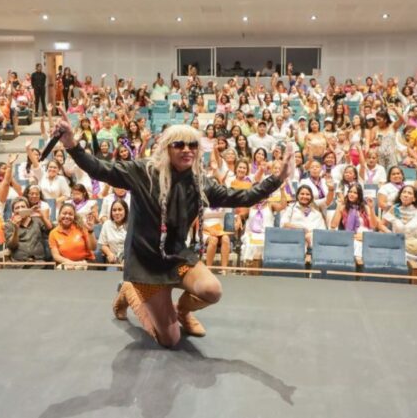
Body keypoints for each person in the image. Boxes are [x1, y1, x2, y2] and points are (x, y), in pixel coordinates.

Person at [54, 111, 291, 349]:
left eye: (193, 145)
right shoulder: (142, 171)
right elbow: (100, 169)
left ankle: (182, 311)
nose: (187, 149)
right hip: (146, 262)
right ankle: (129, 292)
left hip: (177, 257)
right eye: (179, 144)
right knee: (170, 339)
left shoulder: (200, 182)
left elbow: (243, 196)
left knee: (212, 290)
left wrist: (277, 179)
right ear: (167, 148)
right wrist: (72, 145)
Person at [49, 203, 97, 269]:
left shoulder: (81, 228)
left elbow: (93, 248)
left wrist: (90, 231)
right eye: (64, 213)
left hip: (85, 262)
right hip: (67, 263)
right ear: (59, 215)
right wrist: (70, 263)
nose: (67, 216)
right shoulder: (53, 233)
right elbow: (56, 256)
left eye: (70, 214)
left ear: (74, 216)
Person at [98, 199, 129, 264]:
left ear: (125, 211)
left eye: (120, 210)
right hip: (113, 261)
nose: (117, 212)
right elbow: (103, 245)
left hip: (128, 260)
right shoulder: (107, 224)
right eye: (114, 210)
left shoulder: (131, 225)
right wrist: (109, 253)